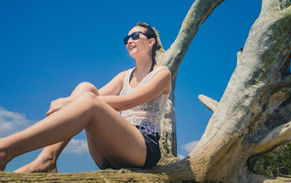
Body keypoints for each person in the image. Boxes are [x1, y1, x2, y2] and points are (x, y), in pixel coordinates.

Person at [0, 22, 171, 172]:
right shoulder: (124, 76)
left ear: (151, 41)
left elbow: (126, 103)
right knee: (85, 87)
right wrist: (76, 101)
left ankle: (5, 149)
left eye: (134, 36)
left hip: (142, 149)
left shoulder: (162, 74)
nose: (129, 41)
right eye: (126, 39)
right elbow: (89, 97)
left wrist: (69, 102)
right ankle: (47, 159)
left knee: (90, 102)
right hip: (110, 150)